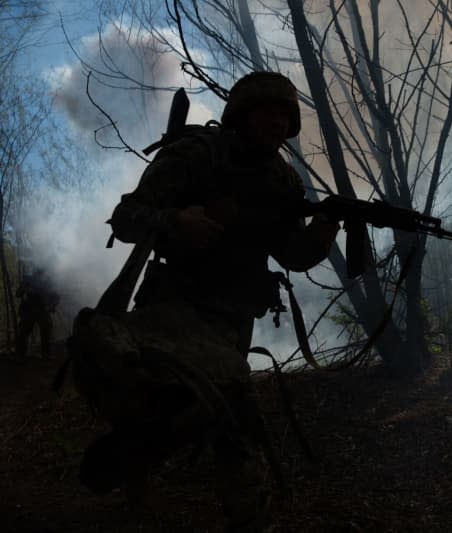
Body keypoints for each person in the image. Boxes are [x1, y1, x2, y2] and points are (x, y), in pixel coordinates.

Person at [73, 72, 339, 532]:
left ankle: (248, 518)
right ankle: (136, 483)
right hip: (172, 312)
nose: (275, 123)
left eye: (284, 115)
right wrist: (178, 220)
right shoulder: (198, 155)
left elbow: (291, 254)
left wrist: (325, 231)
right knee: (147, 394)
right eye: (265, 112)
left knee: (228, 424)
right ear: (241, 114)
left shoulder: (284, 182)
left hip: (232, 324)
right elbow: (125, 218)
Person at [16, 268, 59, 359]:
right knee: (23, 332)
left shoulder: (48, 282)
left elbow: (56, 296)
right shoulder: (28, 280)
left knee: (46, 331)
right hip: (29, 309)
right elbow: (18, 294)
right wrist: (25, 288)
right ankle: (21, 354)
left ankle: (46, 355)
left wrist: (51, 306)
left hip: (42, 309)